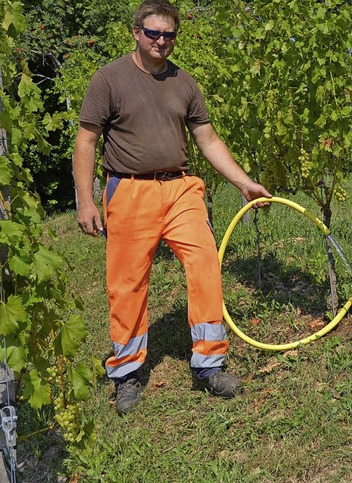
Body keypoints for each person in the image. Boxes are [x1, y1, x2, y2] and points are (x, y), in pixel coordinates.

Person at [73, 0, 272, 415]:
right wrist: (86, 200)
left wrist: (244, 182)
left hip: (180, 188)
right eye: (153, 33)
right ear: (136, 33)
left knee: (205, 264)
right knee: (127, 283)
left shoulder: (185, 83)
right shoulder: (108, 79)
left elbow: (208, 139)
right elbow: (86, 141)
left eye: (168, 35)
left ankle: (209, 364)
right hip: (128, 192)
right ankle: (126, 372)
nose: (161, 41)